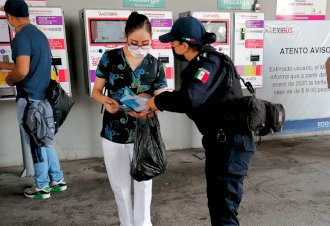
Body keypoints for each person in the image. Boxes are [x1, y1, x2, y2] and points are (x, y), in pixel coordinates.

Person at [146, 16, 255, 226]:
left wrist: (159, 101)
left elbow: (190, 98)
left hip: (231, 144)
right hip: (221, 142)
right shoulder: (203, 62)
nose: (171, 47)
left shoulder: (210, 63)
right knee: (217, 205)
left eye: (173, 43)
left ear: (184, 45)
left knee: (224, 210)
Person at [91, 12, 167, 226]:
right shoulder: (110, 58)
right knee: (120, 186)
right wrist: (106, 101)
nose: (140, 47)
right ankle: (127, 223)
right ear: (125, 36)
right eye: (134, 42)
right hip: (113, 130)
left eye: (145, 43)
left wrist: (150, 110)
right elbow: (96, 91)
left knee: (144, 182)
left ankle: (143, 224)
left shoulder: (155, 64)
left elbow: (161, 100)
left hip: (143, 131)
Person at [0, 0, 67, 199]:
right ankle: (57, 180)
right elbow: (29, 64)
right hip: (43, 99)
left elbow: (22, 70)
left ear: (10, 17)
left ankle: (42, 187)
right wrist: (4, 65)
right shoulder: (38, 34)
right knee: (46, 140)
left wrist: (10, 79)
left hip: (30, 101)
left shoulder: (20, 37)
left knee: (36, 143)